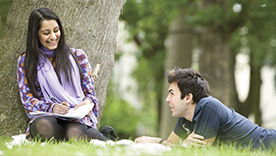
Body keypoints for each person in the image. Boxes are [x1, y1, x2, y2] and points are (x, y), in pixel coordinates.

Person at [17, 7, 118, 142]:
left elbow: (91, 95)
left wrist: (87, 103)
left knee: (74, 132)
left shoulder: (78, 56)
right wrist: (52, 107)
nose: (53, 37)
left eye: (56, 30)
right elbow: (27, 100)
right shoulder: (26, 61)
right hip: (48, 116)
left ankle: (105, 137)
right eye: (46, 33)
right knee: (43, 127)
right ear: (35, 34)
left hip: (77, 117)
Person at [134, 67, 276, 149]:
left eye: (172, 94)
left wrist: (155, 141)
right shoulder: (186, 117)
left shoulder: (208, 107)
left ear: (188, 98)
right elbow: (170, 147)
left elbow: (199, 152)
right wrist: (158, 142)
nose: (167, 99)